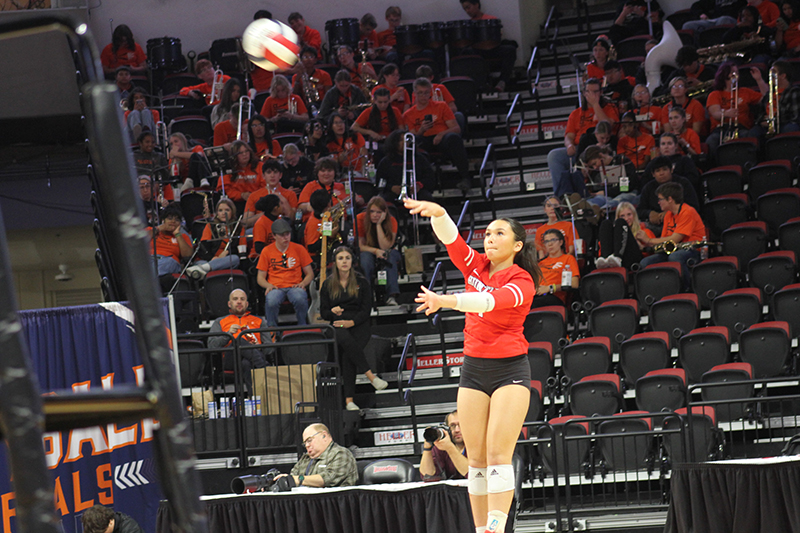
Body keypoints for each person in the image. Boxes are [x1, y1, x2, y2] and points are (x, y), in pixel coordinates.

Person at [405, 197, 540, 533]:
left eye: (499, 234)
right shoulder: (476, 265)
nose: (489, 238)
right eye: (488, 233)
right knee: (476, 460)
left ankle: (497, 525)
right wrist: (440, 214)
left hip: (510, 370)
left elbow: (488, 301)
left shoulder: (522, 280)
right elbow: (452, 240)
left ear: (517, 245)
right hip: (474, 370)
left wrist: (445, 301)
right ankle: (482, 530)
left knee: (497, 455)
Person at [320, 246, 388, 410]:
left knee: (348, 356)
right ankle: (371, 377)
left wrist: (352, 322)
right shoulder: (328, 284)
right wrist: (332, 311)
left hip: (359, 324)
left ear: (352, 261)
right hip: (338, 323)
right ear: (335, 262)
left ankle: (349, 401)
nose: (344, 261)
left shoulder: (362, 282)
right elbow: (323, 312)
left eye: (347, 258)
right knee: (342, 336)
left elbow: (366, 310)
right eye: (340, 258)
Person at [548, 78, 619, 197]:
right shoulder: (576, 113)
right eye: (589, 92)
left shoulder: (610, 108)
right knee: (554, 156)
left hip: (602, 146)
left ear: (601, 92)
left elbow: (608, 125)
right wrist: (569, 145)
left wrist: (595, 104)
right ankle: (563, 196)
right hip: (579, 148)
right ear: (584, 93)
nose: (592, 95)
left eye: (595, 92)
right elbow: (569, 135)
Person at [404, 77, 472, 193]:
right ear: (414, 94)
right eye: (420, 93)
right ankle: (421, 184)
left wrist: (441, 134)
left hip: (442, 138)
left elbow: (456, 128)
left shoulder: (441, 106)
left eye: (426, 93)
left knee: (453, 138)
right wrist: (421, 129)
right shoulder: (408, 114)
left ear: (430, 92)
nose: (423, 96)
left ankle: (465, 177)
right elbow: (412, 135)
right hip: (423, 139)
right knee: (414, 143)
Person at [636, 182, 708, 289]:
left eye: (660, 199)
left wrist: (649, 240)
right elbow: (664, 240)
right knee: (645, 262)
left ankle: (686, 289)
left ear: (670, 199)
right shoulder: (668, 215)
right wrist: (646, 247)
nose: (658, 202)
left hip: (693, 250)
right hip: (673, 249)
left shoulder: (688, 212)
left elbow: (674, 239)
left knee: (676, 257)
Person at [208, 289, 272, 392]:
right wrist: (228, 334)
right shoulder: (220, 321)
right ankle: (264, 367)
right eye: (235, 299)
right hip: (231, 359)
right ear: (229, 304)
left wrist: (259, 346)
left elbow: (269, 348)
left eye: (242, 299)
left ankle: (254, 401)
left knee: (246, 363)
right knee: (239, 340)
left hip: (253, 358)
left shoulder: (258, 321)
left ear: (246, 304)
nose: (239, 302)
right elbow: (211, 346)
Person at [256, 218, 314, 326]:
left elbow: (310, 273)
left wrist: (303, 283)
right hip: (276, 286)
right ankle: (272, 331)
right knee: (271, 300)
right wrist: (268, 285)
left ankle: (303, 327)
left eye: (287, 234)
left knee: (300, 298)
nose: (285, 237)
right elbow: (260, 277)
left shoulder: (299, 248)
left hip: (294, 285)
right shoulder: (267, 251)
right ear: (274, 236)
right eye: (282, 235)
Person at [705, 62, 767, 160]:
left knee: (748, 138)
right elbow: (715, 113)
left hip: (741, 128)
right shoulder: (715, 94)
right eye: (732, 72)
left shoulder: (745, 92)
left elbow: (766, 98)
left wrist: (759, 80)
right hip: (721, 129)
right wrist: (726, 113)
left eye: (736, 72)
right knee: (712, 141)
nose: (735, 75)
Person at [459, 0, 518, 92]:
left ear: (476, 5)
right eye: (464, 9)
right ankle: (479, 83)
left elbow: (498, 36)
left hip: (493, 49)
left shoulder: (491, 19)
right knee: (465, 53)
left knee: (510, 49)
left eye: (468, 7)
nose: (467, 11)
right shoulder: (468, 24)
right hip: (477, 51)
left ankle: (502, 81)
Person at [278, 423, 358, 487]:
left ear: (324, 436)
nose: (307, 445)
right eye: (305, 443)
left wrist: (299, 479)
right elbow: (292, 477)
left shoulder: (341, 454)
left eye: (309, 440)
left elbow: (327, 479)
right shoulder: (305, 459)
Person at [637, 155, 700, 233]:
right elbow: (639, 210)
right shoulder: (648, 187)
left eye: (664, 169)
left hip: (679, 223)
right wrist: (649, 213)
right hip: (655, 225)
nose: (661, 173)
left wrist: (669, 214)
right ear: (653, 174)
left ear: (671, 170)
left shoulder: (683, 183)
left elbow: (693, 206)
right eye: (658, 171)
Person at [357, 196, 402, 306]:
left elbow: (386, 246)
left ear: (384, 212)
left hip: (389, 250)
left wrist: (378, 225)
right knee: (365, 259)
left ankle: (391, 296)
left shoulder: (392, 221)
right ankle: (367, 296)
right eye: (372, 211)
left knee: (389, 256)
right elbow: (360, 246)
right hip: (369, 250)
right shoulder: (360, 219)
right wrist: (376, 251)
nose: (375, 215)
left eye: (378, 212)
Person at [187, 198, 245, 279]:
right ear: (217, 213)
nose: (223, 213)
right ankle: (208, 267)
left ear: (232, 211)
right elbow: (203, 248)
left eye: (227, 210)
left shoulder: (238, 227)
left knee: (235, 258)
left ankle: (205, 268)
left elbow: (242, 250)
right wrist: (212, 258)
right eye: (220, 210)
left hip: (227, 260)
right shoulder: (210, 226)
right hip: (208, 260)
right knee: (200, 263)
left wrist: (225, 255)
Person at [376, 129, 436, 205]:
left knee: (428, 199)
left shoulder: (419, 158)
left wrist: (419, 185)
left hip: (417, 191)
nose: (405, 143)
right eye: (401, 140)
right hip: (393, 192)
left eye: (406, 140)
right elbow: (380, 181)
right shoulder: (386, 161)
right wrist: (391, 187)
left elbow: (430, 177)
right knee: (385, 202)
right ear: (394, 143)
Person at [596, 201, 656, 270]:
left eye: (629, 214)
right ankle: (605, 260)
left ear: (634, 215)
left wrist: (642, 246)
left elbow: (653, 251)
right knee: (605, 223)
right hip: (612, 259)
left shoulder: (644, 231)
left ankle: (618, 258)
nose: (626, 218)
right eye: (622, 216)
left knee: (621, 222)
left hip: (634, 260)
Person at [243, 159, 297, 228]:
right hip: (260, 227)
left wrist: (282, 199)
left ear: (280, 175)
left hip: (282, 228)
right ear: (263, 176)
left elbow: (292, 219)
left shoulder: (290, 194)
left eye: (275, 172)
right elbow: (245, 222)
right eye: (269, 172)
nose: (272, 175)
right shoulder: (254, 195)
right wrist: (266, 214)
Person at [533, 229, 580, 309]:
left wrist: (550, 288)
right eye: (547, 241)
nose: (550, 244)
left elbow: (575, 284)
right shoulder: (540, 263)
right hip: (537, 296)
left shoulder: (568, 258)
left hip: (555, 298)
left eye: (553, 240)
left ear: (561, 242)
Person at [420, 410, 469, 481]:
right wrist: (427, 448)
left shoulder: (477, 444)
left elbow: (472, 474)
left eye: (461, 425)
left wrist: (450, 448)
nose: (457, 430)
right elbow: (427, 475)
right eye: (452, 426)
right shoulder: (441, 445)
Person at [147, 204, 193, 277]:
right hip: (148, 258)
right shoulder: (150, 230)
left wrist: (177, 234)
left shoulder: (183, 236)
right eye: (170, 218)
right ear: (163, 220)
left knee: (168, 263)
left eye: (177, 220)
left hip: (168, 260)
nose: (173, 221)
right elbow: (138, 242)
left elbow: (187, 255)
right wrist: (158, 229)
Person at [292, 46, 333, 110]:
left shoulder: (324, 75)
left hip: (322, 104)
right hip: (304, 106)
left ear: (315, 60)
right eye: (305, 57)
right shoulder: (296, 77)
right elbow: (294, 96)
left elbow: (329, 95)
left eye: (311, 57)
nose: (308, 59)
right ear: (301, 60)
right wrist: (297, 80)